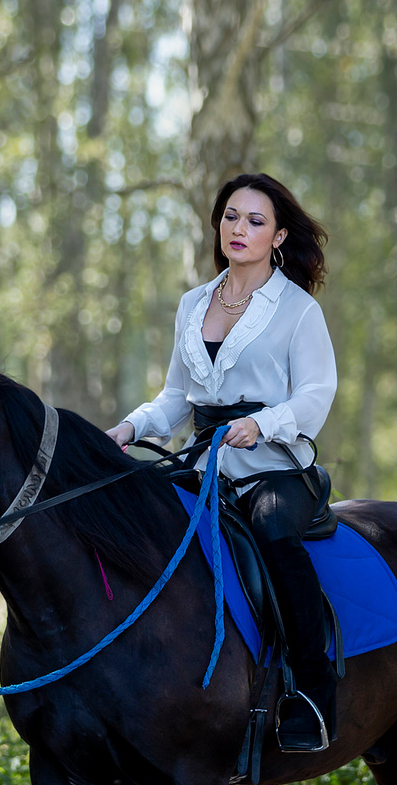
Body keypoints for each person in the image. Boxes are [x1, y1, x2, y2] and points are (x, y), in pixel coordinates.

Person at [108, 173, 340, 752]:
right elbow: (176, 397)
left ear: (278, 237)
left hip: (273, 465)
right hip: (203, 460)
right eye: (231, 216)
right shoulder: (193, 303)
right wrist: (131, 427)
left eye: (256, 221)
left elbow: (317, 393)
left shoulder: (298, 310)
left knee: (273, 534)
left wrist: (262, 423)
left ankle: (312, 693)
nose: (239, 229)